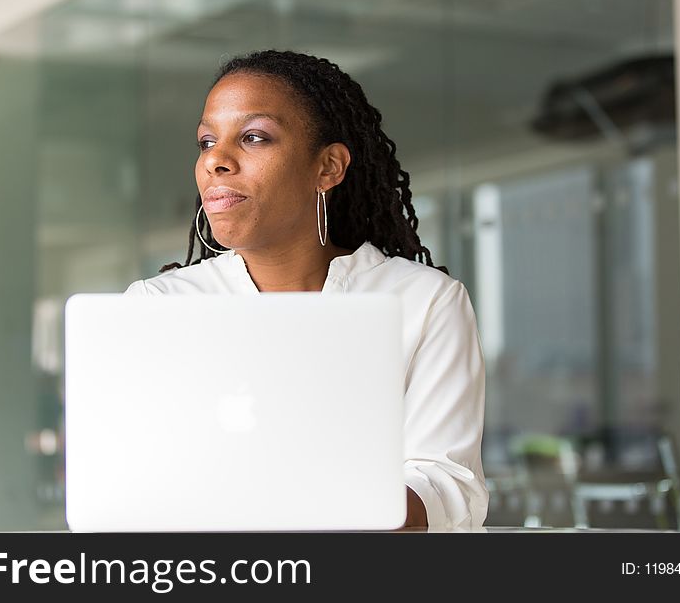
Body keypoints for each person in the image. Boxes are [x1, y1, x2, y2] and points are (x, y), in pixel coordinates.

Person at [125, 50, 488, 530]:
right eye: (206, 140)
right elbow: (128, 484)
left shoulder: (423, 302)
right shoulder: (157, 308)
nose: (215, 159)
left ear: (329, 167)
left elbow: (447, 487)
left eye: (253, 137)